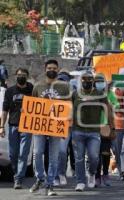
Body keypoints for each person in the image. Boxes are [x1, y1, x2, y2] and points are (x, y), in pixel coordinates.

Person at [29, 60, 71, 196]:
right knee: (37, 153)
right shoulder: (38, 86)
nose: (51, 70)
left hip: (56, 126)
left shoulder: (64, 87)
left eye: (54, 68)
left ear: (58, 70)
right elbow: (32, 107)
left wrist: (67, 124)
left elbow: (69, 105)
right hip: (40, 126)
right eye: (49, 68)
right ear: (45, 69)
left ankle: (50, 184)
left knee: (54, 156)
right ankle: (40, 178)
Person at [72, 71, 114, 192]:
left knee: (94, 156)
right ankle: (80, 182)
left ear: (93, 81)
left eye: (89, 79)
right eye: (84, 79)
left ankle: (91, 173)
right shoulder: (75, 94)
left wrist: (111, 127)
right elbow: (67, 109)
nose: (87, 81)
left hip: (94, 132)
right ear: (81, 81)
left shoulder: (100, 94)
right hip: (77, 131)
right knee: (78, 158)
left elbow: (108, 111)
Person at [0, 68, 33, 189]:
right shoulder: (10, 91)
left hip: (27, 126)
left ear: (27, 76)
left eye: (24, 75)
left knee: (23, 154)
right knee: (13, 154)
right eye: (19, 75)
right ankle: (16, 174)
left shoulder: (32, 89)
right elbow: (4, 110)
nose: (21, 76)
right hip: (13, 125)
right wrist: (2, 126)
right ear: (16, 76)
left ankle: (18, 179)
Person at [54, 69, 74, 186]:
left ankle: (61, 173)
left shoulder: (73, 93)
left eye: (65, 81)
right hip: (52, 126)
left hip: (67, 126)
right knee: (53, 152)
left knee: (62, 151)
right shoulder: (51, 93)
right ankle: (54, 175)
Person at [94, 73, 115, 187]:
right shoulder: (92, 94)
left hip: (106, 127)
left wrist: (111, 105)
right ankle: (96, 176)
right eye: (97, 81)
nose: (99, 84)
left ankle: (105, 174)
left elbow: (116, 107)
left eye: (101, 81)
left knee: (105, 153)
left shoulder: (110, 94)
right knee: (95, 154)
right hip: (94, 127)